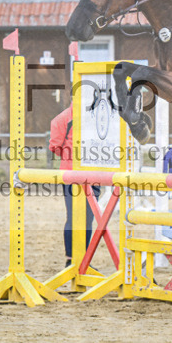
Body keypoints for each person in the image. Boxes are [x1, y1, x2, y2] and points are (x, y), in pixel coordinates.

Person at [49, 104, 98, 265]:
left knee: (75, 216)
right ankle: (80, 257)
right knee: (87, 218)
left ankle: (73, 258)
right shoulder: (98, 117)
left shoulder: (61, 118)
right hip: (92, 173)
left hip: (72, 173)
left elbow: (55, 147)